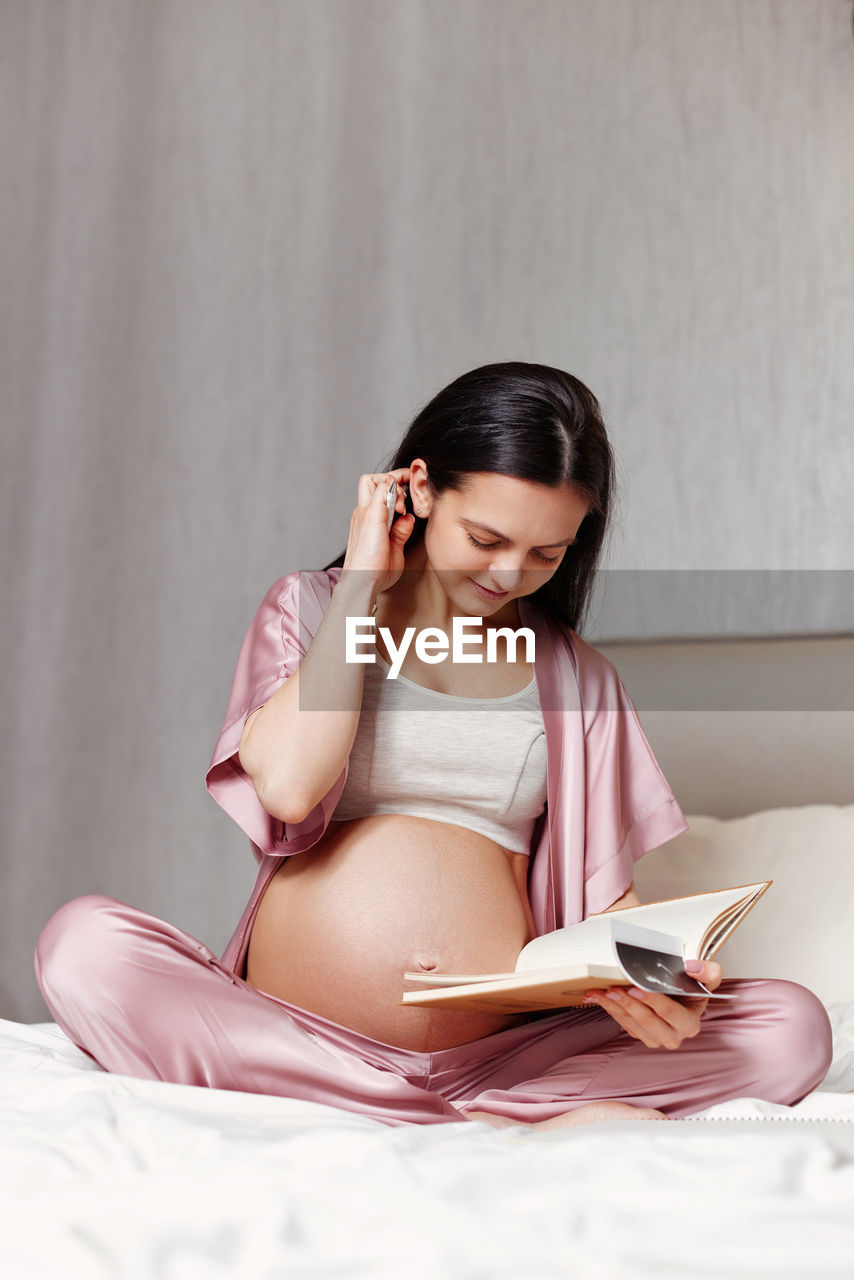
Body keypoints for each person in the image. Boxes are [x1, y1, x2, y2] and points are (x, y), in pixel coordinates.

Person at [34, 362, 833, 1130]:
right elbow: (286, 788)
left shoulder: (578, 678)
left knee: (791, 1027)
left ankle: (431, 1111)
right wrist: (361, 587)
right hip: (296, 1033)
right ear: (417, 488)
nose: (509, 574)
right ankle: (469, 1122)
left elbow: (604, 909)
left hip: (495, 1060)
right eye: (486, 537)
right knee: (83, 945)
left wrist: (662, 984)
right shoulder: (313, 612)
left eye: (546, 553)